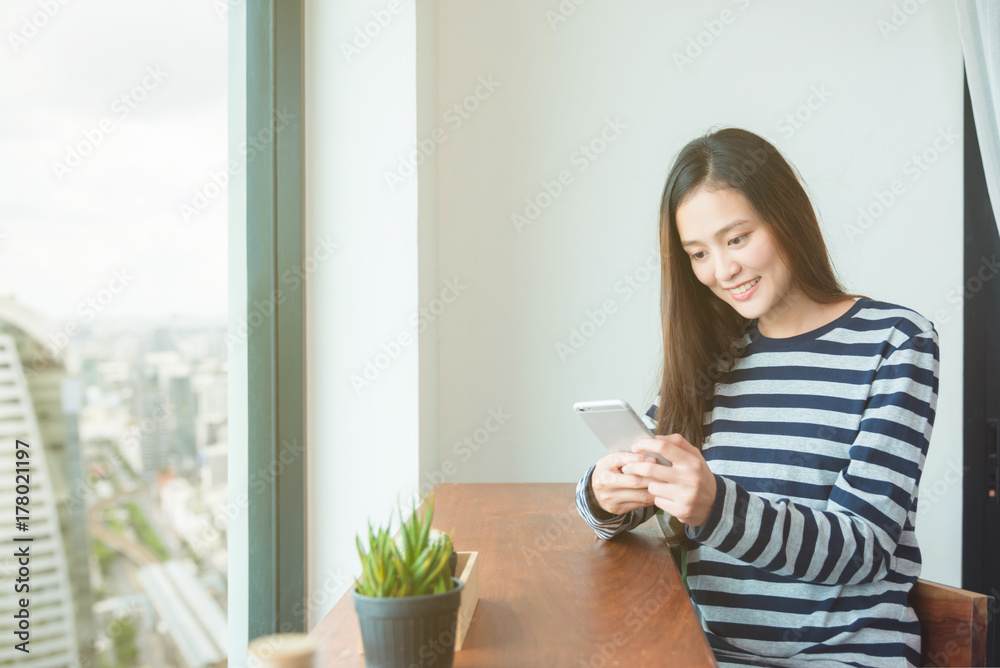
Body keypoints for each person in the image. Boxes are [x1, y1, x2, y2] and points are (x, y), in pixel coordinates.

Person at [575, 127, 940, 668]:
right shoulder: (715, 356)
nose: (722, 272)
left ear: (785, 215)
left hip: (845, 655)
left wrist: (716, 505)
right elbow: (618, 500)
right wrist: (605, 493)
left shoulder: (895, 342)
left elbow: (862, 547)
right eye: (698, 253)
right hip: (708, 653)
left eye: (737, 238)